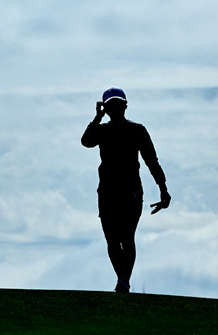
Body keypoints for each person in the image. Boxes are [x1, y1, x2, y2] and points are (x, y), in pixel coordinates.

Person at [81, 87, 170, 293]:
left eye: (117, 105)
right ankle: (123, 280)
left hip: (125, 191)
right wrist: (97, 119)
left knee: (122, 238)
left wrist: (163, 189)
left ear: (125, 106)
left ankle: (123, 280)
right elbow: (86, 142)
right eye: (111, 105)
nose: (115, 108)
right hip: (113, 192)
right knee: (117, 238)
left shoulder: (134, 130)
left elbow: (151, 160)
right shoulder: (105, 130)